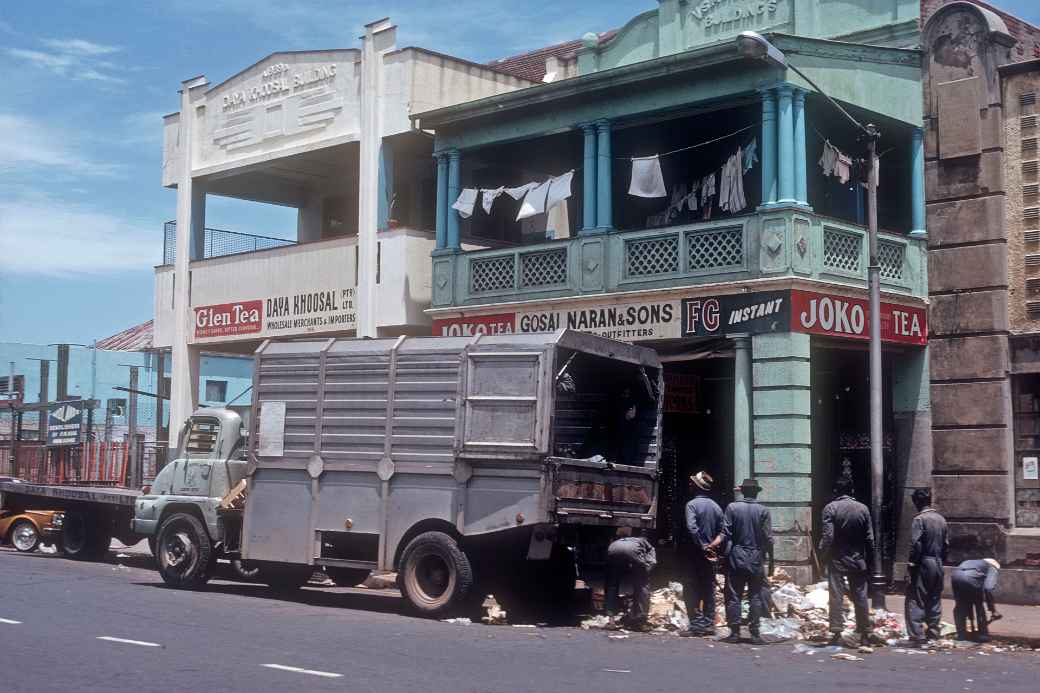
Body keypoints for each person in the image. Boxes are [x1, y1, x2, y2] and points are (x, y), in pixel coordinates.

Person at [818, 476, 874, 646]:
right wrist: (869, 560)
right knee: (860, 596)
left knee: (836, 595)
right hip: (858, 559)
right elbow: (869, 538)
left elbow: (828, 536)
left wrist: (822, 555)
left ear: (836, 491)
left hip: (837, 558)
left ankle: (836, 632)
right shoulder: (863, 509)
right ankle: (865, 632)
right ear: (851, 491)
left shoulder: (830, 508)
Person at [721, 478, 773, 644]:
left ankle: (735, 632)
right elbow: (768, 539)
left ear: (742, 491)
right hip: (756, 557)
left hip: (736, 556)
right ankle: (755, 633)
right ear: (757, 492)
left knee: (734, 594)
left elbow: (726, 533)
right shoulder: (764, 511)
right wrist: (772, 561)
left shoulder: (732, 507)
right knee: (755, 595)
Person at [680, 471, 724, 637]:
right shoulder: (716, 507)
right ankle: (708, 624)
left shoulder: (691, 505)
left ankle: (697, 624)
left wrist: (702, 545)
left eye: (692, 483)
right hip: (711, 554)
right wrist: (713, 547)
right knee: (708, 588)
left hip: (695, 553)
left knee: (691, 587)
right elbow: (723, 531)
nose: (689, 485)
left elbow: (692, 528)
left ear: (696, 487)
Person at [905, 487, 949, 645]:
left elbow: (916, 545)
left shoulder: (919, 520)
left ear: (917, 502)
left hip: (923, 562)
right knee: (935, 597)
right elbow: (946, 545)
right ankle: (933, 631)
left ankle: (917, 634)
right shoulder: (941, 519)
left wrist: (912, 564)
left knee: (916, 598)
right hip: (938, 562)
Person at [604, 527, 657, 629]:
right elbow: (652, 558)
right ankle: (641, 621)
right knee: (642, 585)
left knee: (612, 584)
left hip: (613, 548)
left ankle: (611, 620)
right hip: (632, 551)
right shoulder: (643, 541)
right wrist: (647, 570)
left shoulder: (617, 540)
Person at [951, 558, 1001, 642]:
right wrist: (993, 610)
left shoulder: (971, 562)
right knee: (979, 605)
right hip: (971, 579)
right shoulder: (992, 568)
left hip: (955, 576)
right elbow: (988, 588)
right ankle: (982, 635)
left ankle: (961, 635)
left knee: (960, 607)